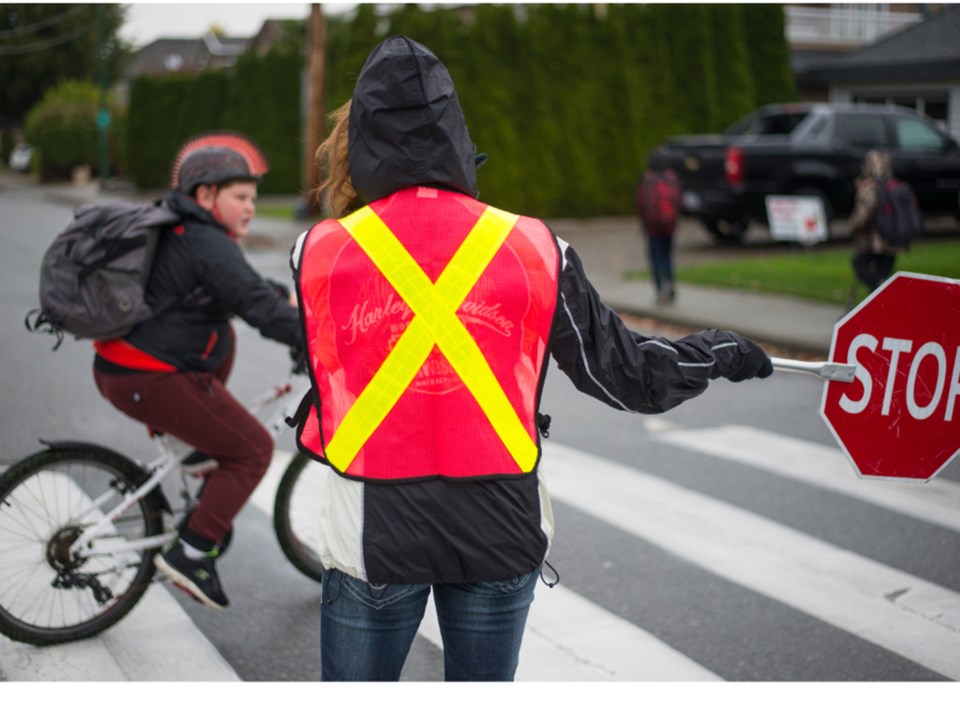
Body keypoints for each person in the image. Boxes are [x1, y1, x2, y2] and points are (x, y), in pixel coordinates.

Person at [291, 36, 772, 682]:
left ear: (363, 141)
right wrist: (715, 352)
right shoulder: (533, 247)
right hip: (498, 524)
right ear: (456, 135)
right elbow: (628, 375)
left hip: (374, 532)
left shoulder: (318, 254)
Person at [92, 131, 303, 610]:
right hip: (151, 378)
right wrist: (320, 341)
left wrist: (289, 301)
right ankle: (191, 552)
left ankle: (193, 449)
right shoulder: (207, 241)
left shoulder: (185, 230)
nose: (251, 206)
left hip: (123, 369)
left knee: (221, 335)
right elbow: (257, 307)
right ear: (206, 196)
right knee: (253, 449)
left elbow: (244, 287)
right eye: (241, 196)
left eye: (254, 197)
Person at [849, 148, 901, 293]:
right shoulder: (894, 185)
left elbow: (864, 213)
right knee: (882, 274)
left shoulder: (869, 187)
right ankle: (882, 300)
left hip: (874, 241)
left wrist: (852, 226)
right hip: (892, 240)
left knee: (859, 263)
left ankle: (879, 289)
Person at [635, 149, 682, 305]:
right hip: (669, 227)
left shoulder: (648, 181)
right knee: (667, 256)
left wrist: (643, 224)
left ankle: (660, 289)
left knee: (655, 258)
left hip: (653, 229)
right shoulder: (672, 179)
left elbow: (641, 204)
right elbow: (678, 202)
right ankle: (670, 282)